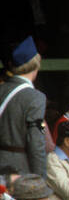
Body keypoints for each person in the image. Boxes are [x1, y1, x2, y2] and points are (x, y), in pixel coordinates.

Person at [0, 37, 47, 176]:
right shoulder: (35, 97)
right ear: (36, 65)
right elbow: (36, 142)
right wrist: (40, 179)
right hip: (18, 169)